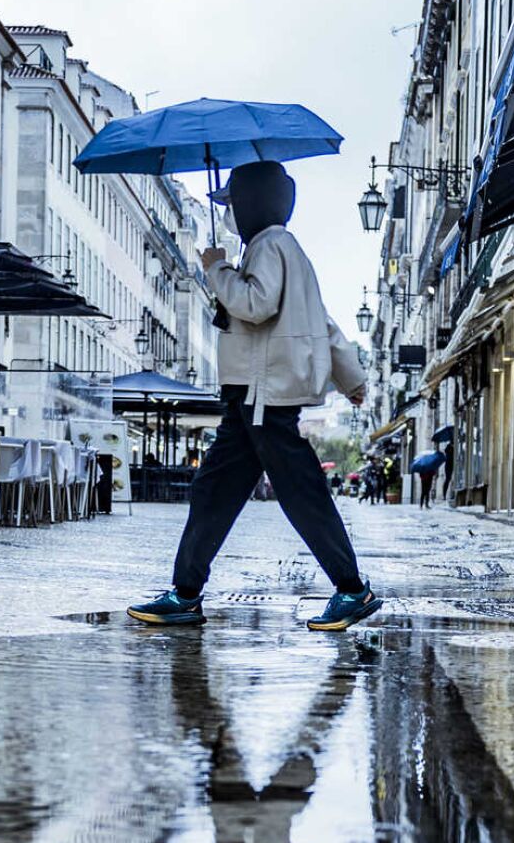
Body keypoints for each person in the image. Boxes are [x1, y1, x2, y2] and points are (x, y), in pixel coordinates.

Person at [128, 161, 380, 632]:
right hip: (254, 393)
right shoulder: (287, 249)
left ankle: (351, 589)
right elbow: (321, 321)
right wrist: (352, 378)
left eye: (233, 203)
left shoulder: (269, 246)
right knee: (214, 491)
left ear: (249, 205)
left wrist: (216, 269)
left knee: (299, 491)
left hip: (262, 393)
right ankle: (184, 593)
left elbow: (256, 305)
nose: (228, 213)